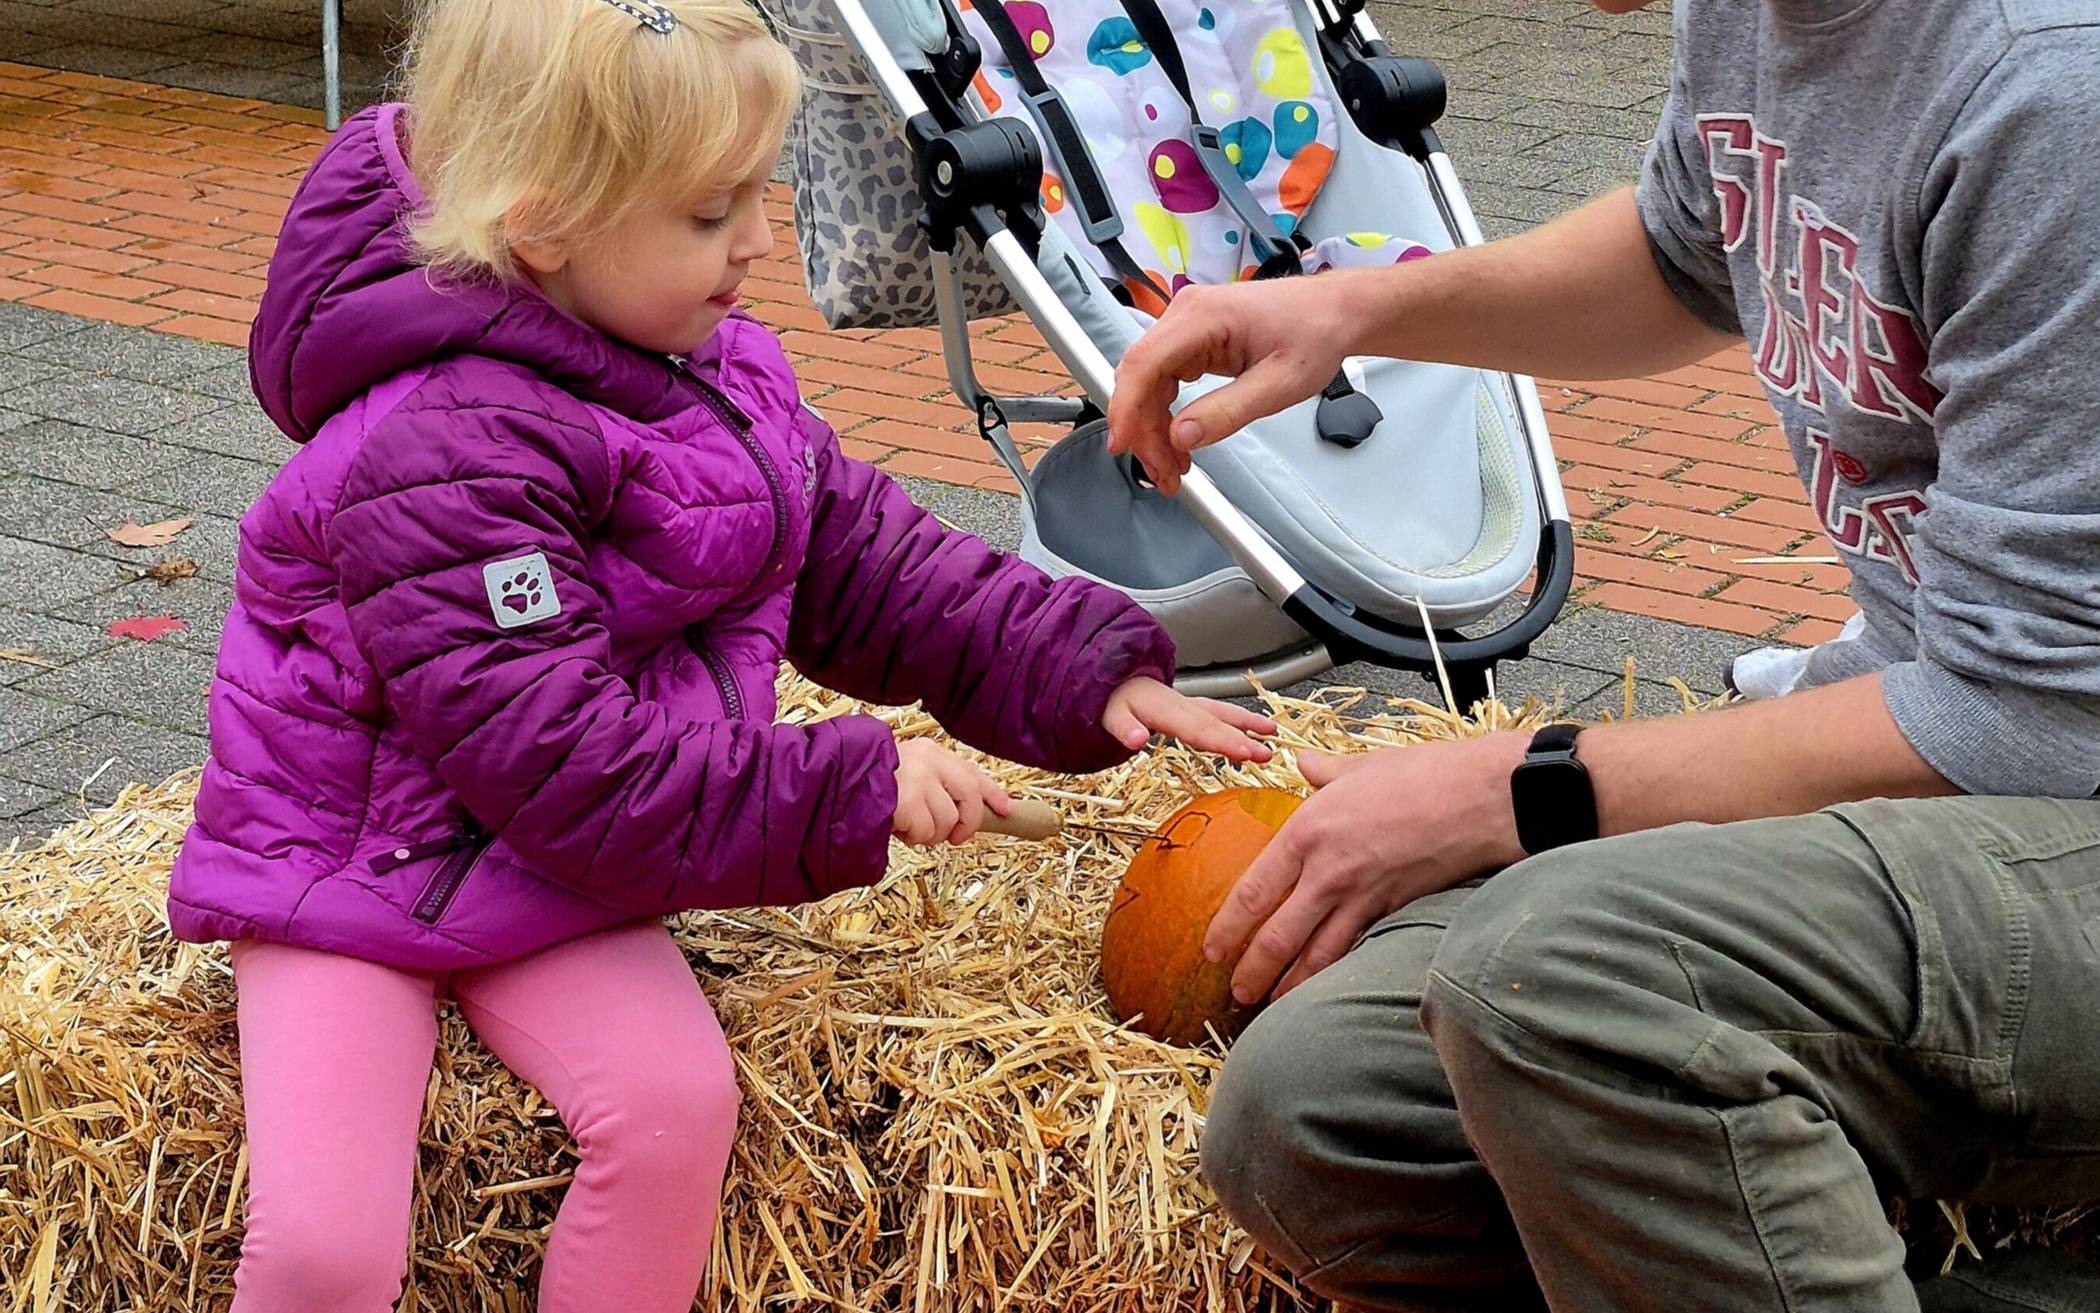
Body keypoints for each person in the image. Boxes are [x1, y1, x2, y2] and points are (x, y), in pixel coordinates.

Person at [165, 0, 1275, 1307]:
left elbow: (865, 557)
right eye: (709, 212)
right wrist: (852, 784)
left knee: (674, 1109)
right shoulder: (443, 450)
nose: (758, 239)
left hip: (542, 869)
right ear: (546, 226)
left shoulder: (700, 365)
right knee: (327, 1244)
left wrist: (1081, 663)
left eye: (759, 190)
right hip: (350, 873)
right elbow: (561, 760)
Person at [1105, 0, 2100, 1309]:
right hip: (1953, 764)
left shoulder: (2052, 87)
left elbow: (2025, 719)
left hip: (2050, 787)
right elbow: (1685, 253)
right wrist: (1351, 309)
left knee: (1558, 974)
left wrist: (1518, 786)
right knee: (1315, 1113)